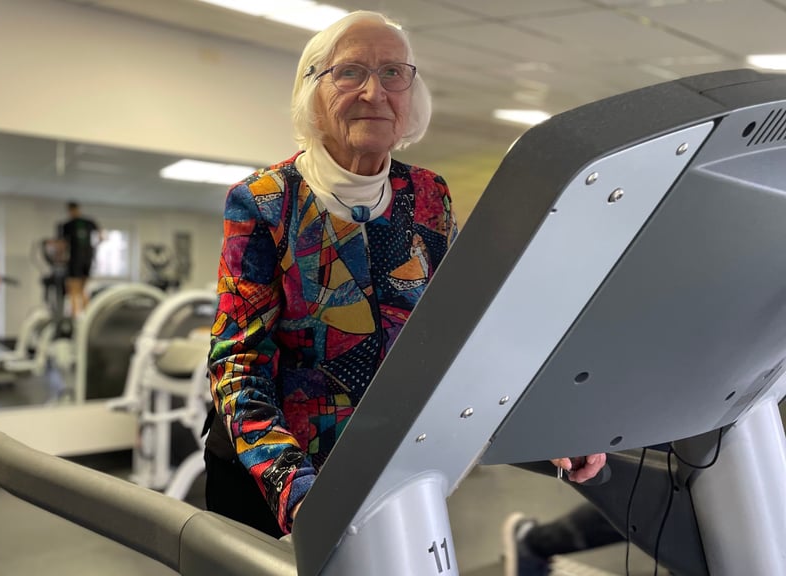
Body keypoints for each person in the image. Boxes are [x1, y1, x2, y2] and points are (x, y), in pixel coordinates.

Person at [203, 10, 606, 539]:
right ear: (312, 92)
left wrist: (546, 425)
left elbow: (463, 333)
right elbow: (238, 365)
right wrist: (296, 489)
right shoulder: (265, 202)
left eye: (394, 72)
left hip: (389, 470)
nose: (375, 91)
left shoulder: (428, 196)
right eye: (350, 72)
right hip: (274, 481)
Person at [56, 201, 99, 317]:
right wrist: (93, 249)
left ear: (70, 210)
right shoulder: (89, 222)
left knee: (73, 290)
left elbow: (62, 244)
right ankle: (89, 318)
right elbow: (101, 237)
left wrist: (59, 257)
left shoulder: (67, 225)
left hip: (76, 259)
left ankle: (75, 319)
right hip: (88, 258)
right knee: (82, 290)